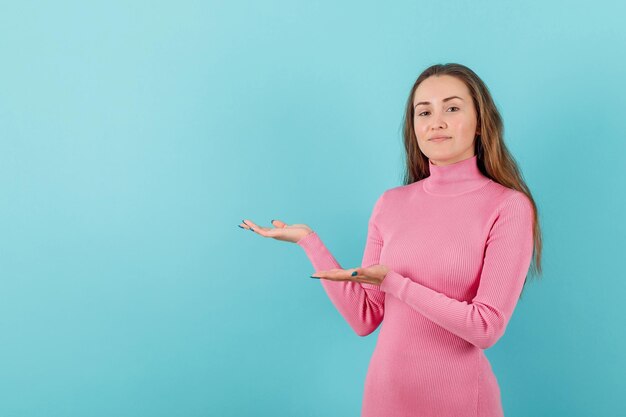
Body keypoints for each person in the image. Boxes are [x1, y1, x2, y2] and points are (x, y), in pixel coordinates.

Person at [239, 63, 543, 417]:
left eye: (452, 108)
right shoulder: (391, 204)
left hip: (459, 402)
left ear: (480, 122)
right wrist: (309, 242)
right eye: (424, 112)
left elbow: (486, 327)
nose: (437, 121)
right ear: (413, 127)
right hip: (386, 397)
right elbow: (365, 317)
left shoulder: (507, 206)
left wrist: (396, 284)